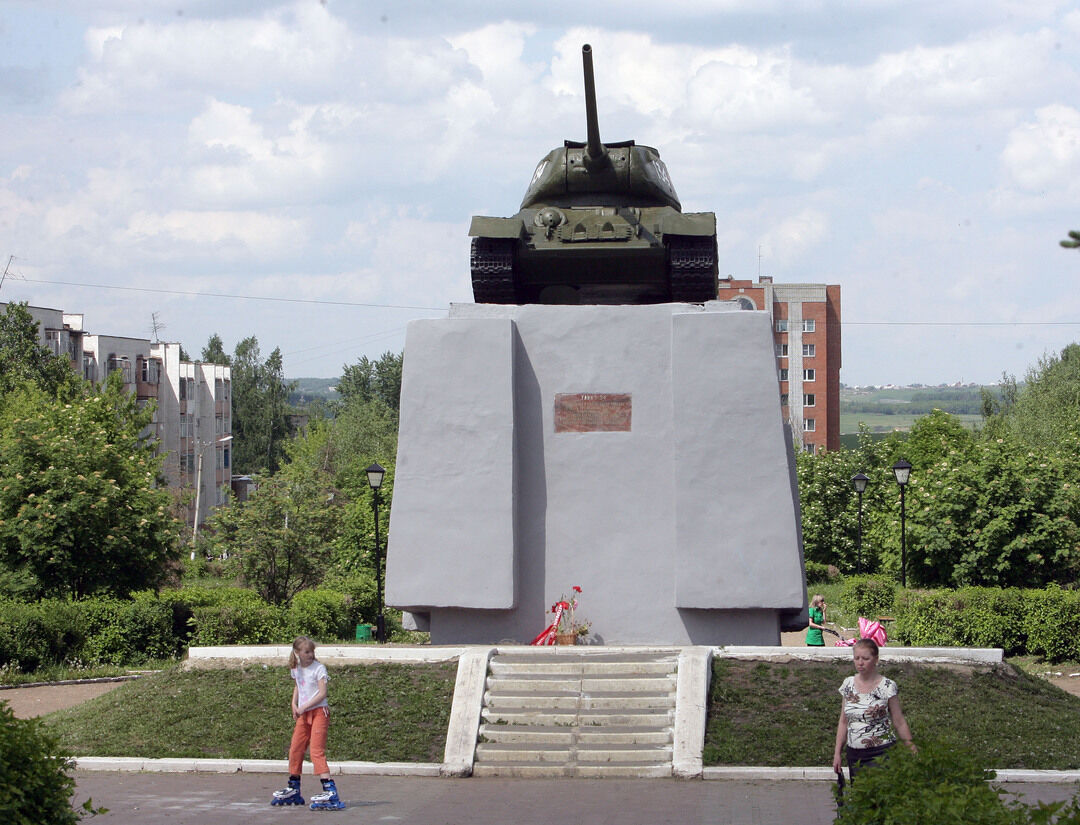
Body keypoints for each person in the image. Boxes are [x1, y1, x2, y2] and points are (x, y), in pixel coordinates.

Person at [270, 636, 345, 810]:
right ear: (297, 653)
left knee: (316, 751)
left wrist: (303, 706)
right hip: (303, 713)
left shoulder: (319, 668)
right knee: (296, 748)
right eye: (306, 652)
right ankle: (294, 786)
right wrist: (293, 703)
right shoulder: (296, 668)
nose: (310, 654)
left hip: (319, 712)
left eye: (312, 651)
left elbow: (322, 693)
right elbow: (298, 685)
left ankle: (329, 789)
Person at [832, 637, 915, 781]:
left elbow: (898, 720)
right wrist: (837, 753)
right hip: (855, 754)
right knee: (860, 797)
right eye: (856, 658)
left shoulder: (887, 686)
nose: (860, 662)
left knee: (880, 798)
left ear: (876, 659)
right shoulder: (848, 684)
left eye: (865, 658)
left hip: (881, 752)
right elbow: (843, 722)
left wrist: (910, 744)